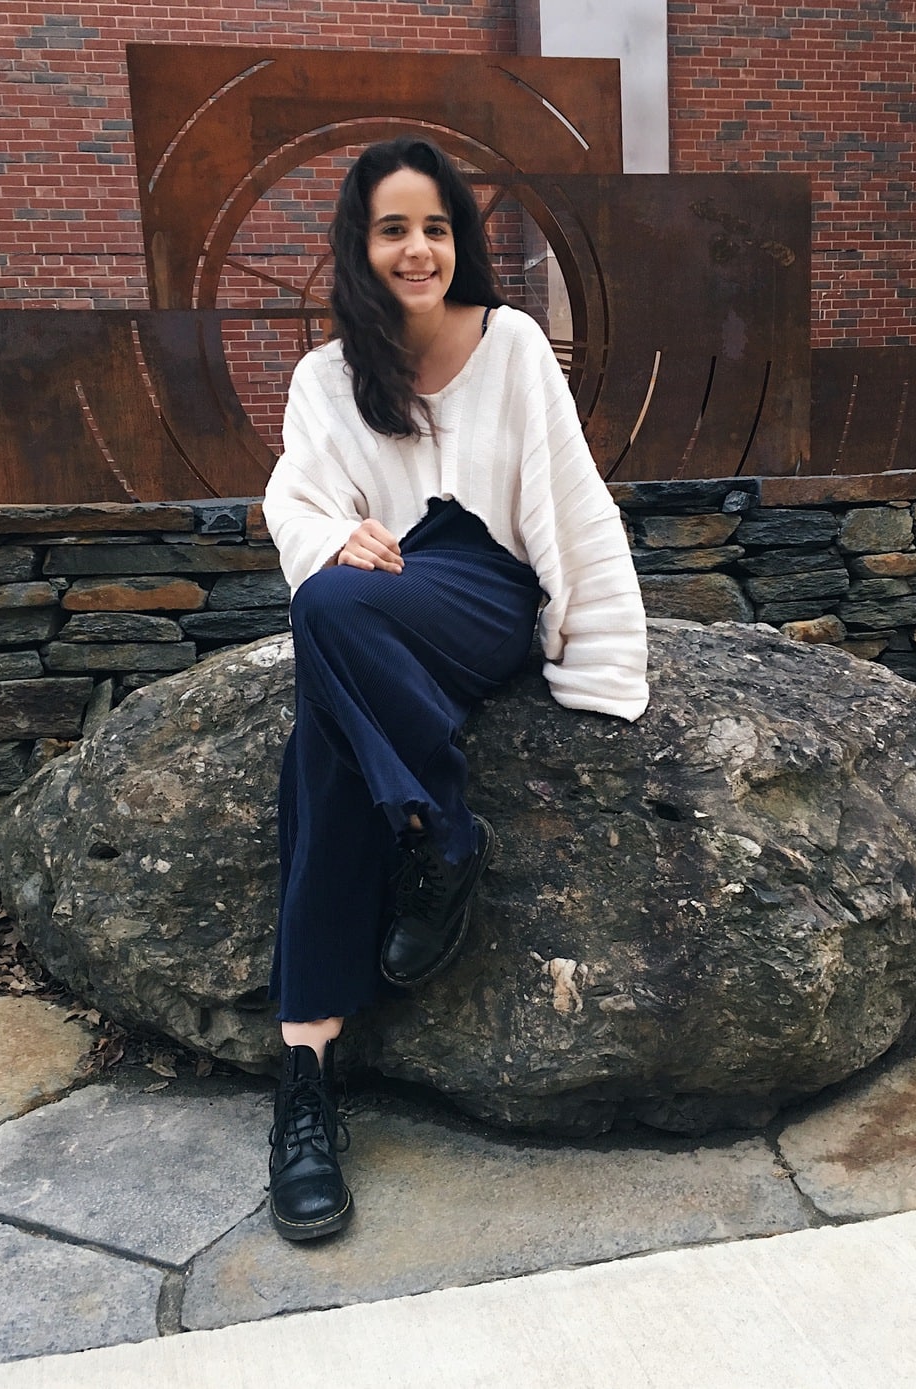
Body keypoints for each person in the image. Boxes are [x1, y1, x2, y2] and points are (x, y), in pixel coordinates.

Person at [261, 135, 650, 1242]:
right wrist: (342, 536)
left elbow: (568, 499)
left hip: (482, 596)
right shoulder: (326, 377)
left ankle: (305, 1087)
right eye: (393, 228)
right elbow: (295, 506)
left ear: (458, 241)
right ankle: (313, 1064)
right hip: (377, 607)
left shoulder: (513, 343)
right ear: (360, 243)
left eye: (435, 227)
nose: (417, 248)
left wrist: (604, 651)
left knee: (326, 627)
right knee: (322, 730)